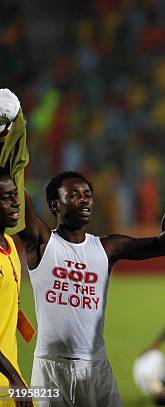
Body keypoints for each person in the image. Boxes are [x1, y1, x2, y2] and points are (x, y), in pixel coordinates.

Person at [18, 171, 165, 406]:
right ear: (55, 205)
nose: (84, 200)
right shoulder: (42, 242)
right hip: (49, 368)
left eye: (88, 195)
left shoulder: (107, 248)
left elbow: (163, 243)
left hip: (96, 365)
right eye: (73, 195)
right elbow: (19, 199)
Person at [0, 168, 32, 407]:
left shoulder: (10, 243)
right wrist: (14, 378)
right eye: (6, 197)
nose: (15, 202)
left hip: (9, 374)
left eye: (15, 194)